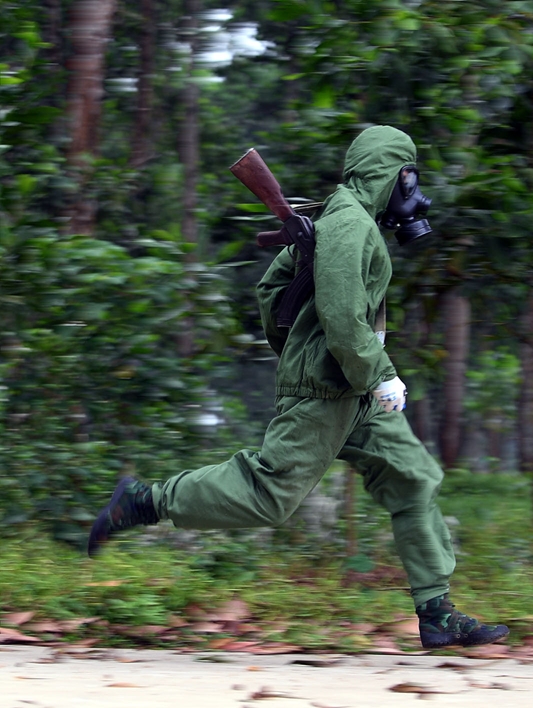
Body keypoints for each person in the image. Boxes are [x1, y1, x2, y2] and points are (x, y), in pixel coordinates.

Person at [87, 125, 509, 650]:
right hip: (331, 392)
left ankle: (436, 614)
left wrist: (307, 335)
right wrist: (371, 370)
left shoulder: (343, 223)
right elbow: (339, 312)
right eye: (411, 175)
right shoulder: (350, 224)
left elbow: (271, 291)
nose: (414, 190)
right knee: (270, 496)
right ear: (393, 173)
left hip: (351, 391)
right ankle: (143, 501)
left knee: (414, 478)